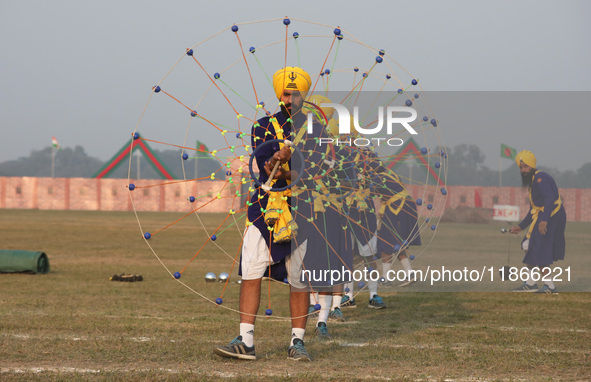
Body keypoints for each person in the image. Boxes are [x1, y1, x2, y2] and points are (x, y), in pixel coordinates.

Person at [213, 67, 314, 361]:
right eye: (286, 92)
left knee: (300, 278)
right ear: (279, 94)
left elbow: (313, 172)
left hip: (302, 211)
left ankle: (297, 343)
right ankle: (246, 341)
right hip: (264, 210)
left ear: (303, 95)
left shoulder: (316, 131)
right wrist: (275, 160)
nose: (291, 97)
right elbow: (264, 169)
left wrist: (290, 167)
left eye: (296, 93)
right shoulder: (263, 126)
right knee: (251, 273)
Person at [510, 150, 566, 293]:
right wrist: (520, 226)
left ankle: (550, 286)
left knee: (537, 247)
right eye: (521, 168)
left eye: (526, 167)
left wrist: (544, 220)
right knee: (527, 244)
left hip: (552, 216)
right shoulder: (533, 181)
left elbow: (550, 199)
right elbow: (533, 210)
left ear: (532, 166)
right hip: (544, 216)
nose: (523, 170)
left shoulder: (541, 177)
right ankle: (530, 283)